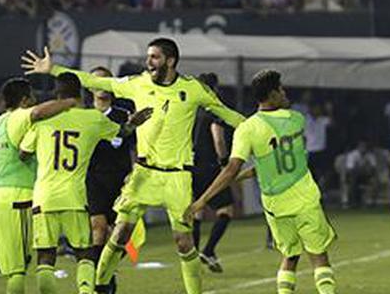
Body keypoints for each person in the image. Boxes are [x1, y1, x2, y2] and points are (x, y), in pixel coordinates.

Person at [21, 37, 246, 294]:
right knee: (119, 236)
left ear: (170, 61)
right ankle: (100, 285)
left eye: (155, 57)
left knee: (184, 242)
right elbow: (96, 81)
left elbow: (228, 114)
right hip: (144, 173)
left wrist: (259, 127)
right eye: (148, 56)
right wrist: (54, 69)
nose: (148, 62)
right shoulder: (137, 84)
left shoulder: (193, 89)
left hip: (177, 177)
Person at [186, 69, 338, 294]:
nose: (285, 93)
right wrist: (236, 176)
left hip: (275, 204)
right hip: (305, 198)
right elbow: (281, 161)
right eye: (281, 89)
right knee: (319, 256)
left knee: (290, 255)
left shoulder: (247, 129)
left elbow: (233, 168)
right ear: (273, 94)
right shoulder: (296, 120)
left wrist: (202, 201)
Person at [20, 73, 151, 294]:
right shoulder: (92, 119)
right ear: (81, 92)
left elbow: (23, 153)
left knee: (45, 256)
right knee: (84, 254)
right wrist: (132, 123)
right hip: (75, 195)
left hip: (44, 196)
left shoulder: (42, 121)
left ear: (56, 94)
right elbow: (121, 132)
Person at [0, 77, 75, 294]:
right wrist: (69, 102)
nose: (34, 100)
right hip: (14, 198)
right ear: (23, 100)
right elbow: (38, 113)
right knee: (18, 268)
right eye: (31, 96)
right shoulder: (20, 116)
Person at [85, 67, 136, 294]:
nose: (101, 86)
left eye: (106, 81)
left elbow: (135, 147)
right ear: (89, 86)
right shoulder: (85, 117)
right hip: (94, 178)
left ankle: (108, 269)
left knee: (118, 235)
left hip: (121, 180)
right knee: (98, 228)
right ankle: (100, 281)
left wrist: (135, 174)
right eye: (97, 81)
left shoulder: (124, 115)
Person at [190, 73, 235, 273]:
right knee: (226, 210)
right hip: (209, 166)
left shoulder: (190, 109)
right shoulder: (212, 110)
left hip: (191, 166)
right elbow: (218, 138)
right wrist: (224, 161)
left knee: (198, 210)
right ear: (213, 88)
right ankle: (208, 250)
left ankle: (193, 258)